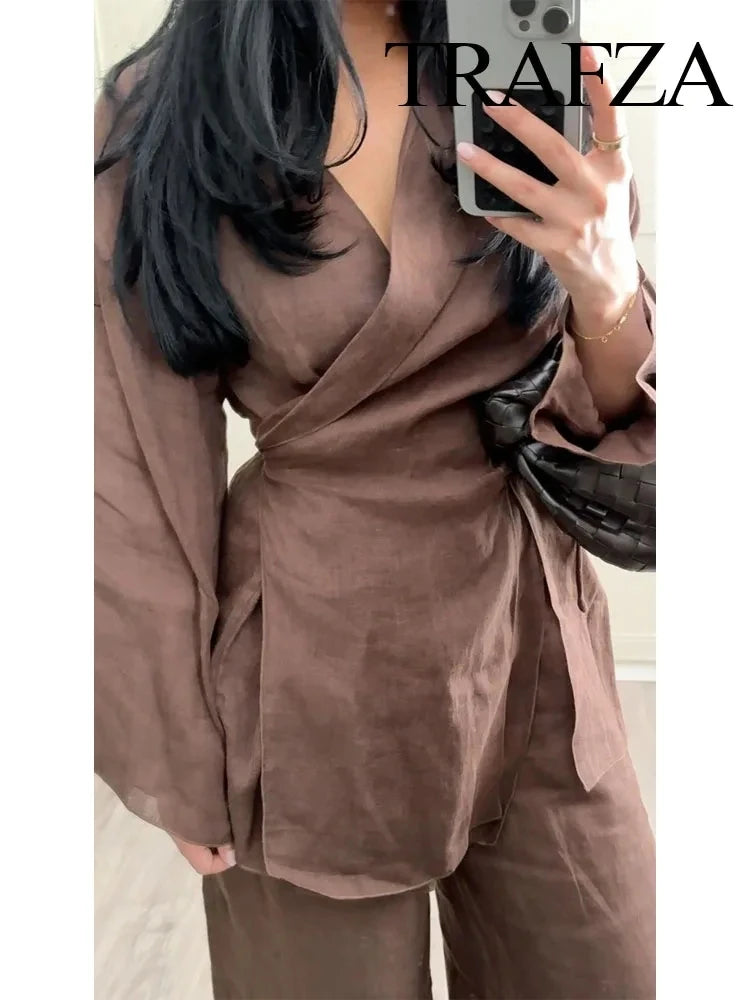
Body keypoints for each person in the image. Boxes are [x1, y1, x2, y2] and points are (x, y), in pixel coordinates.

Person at [94, 2, 656, 997]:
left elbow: (599, 411)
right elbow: (129, 462)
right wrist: (176, 750)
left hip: (531, 642)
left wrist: (604, 282)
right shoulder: (167, 108)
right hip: (310, 676)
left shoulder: (516, 54)